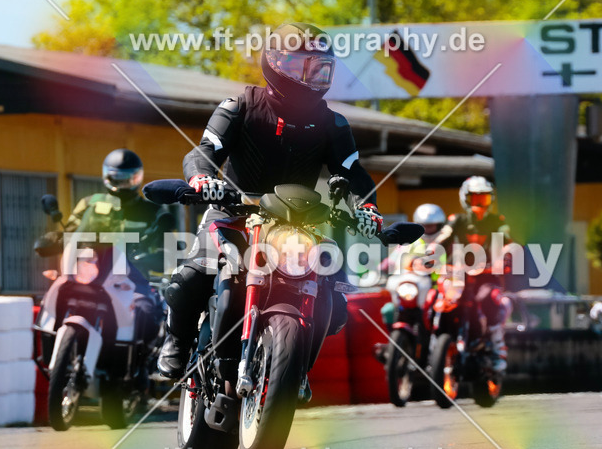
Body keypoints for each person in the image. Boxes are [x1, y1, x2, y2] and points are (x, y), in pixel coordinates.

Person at [155, 22, 383, 387]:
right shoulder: (240, 106)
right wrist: (202, 179)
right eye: (299, 66)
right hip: (233, 209)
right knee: (190, 278)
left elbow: (353, 173)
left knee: (335, 300)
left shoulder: (332, 122)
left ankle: (293, 368)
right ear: (274, 62)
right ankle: (177, 341)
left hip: (299, 222)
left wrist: (367, 209)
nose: (310, 77)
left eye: (319, 68)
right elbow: (205, 152)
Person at [62, 148, 170, 344]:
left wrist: (157, 258)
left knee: (146, 312)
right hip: (91, 271)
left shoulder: (152, 210)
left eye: (128, 178)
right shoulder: (89, 204)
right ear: (106, 176)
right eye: (116, 178)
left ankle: (139, 362)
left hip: (133, 276)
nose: (122, 184)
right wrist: (55, 240)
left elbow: (168, 246)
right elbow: (69, 233)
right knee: (55, 293)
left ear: (138, 178)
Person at [426, 176, 510, 371]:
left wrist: (506, 255)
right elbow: (444, 237)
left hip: (486, 276)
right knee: (433, 300)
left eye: (485, 199)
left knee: (489, 298)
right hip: (457, 275)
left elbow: (508, 241)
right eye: (475, 199)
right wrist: (431, 253)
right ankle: (428, 346)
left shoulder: (497, 221)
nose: (480, 204)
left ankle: (498, 349)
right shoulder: (457, 220)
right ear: (465, 199)